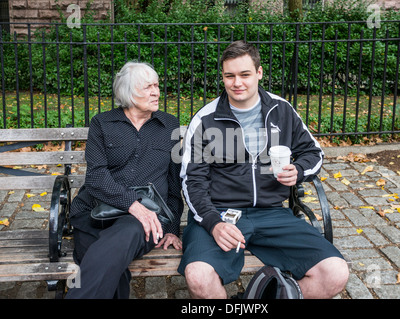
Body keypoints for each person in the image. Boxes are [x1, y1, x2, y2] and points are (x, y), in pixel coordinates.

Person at [178, 40, 349, 299]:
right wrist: (213, 224)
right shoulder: (205, 119)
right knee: (199, 277)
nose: (237, 83)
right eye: (230, 75)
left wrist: (299, 171)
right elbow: (192, 182)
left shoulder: (281, 110)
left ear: (259, 73)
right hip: (221, 215)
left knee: (335, 273)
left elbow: (313, 153)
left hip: (272, 214)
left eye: (245, 74)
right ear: (222, 77)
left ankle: (260, 298)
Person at [65, 61, 184, 299]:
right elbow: (97, 176)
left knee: (120, 238)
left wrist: (171, 229)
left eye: (157, 85)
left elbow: (173, 182)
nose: (156, 92)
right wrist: (133, 204)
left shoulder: (168, 125)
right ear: (128, 93)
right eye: (148, 87)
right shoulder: (103, 123)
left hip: (143, 219)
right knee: (110, 263)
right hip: (93, 211)